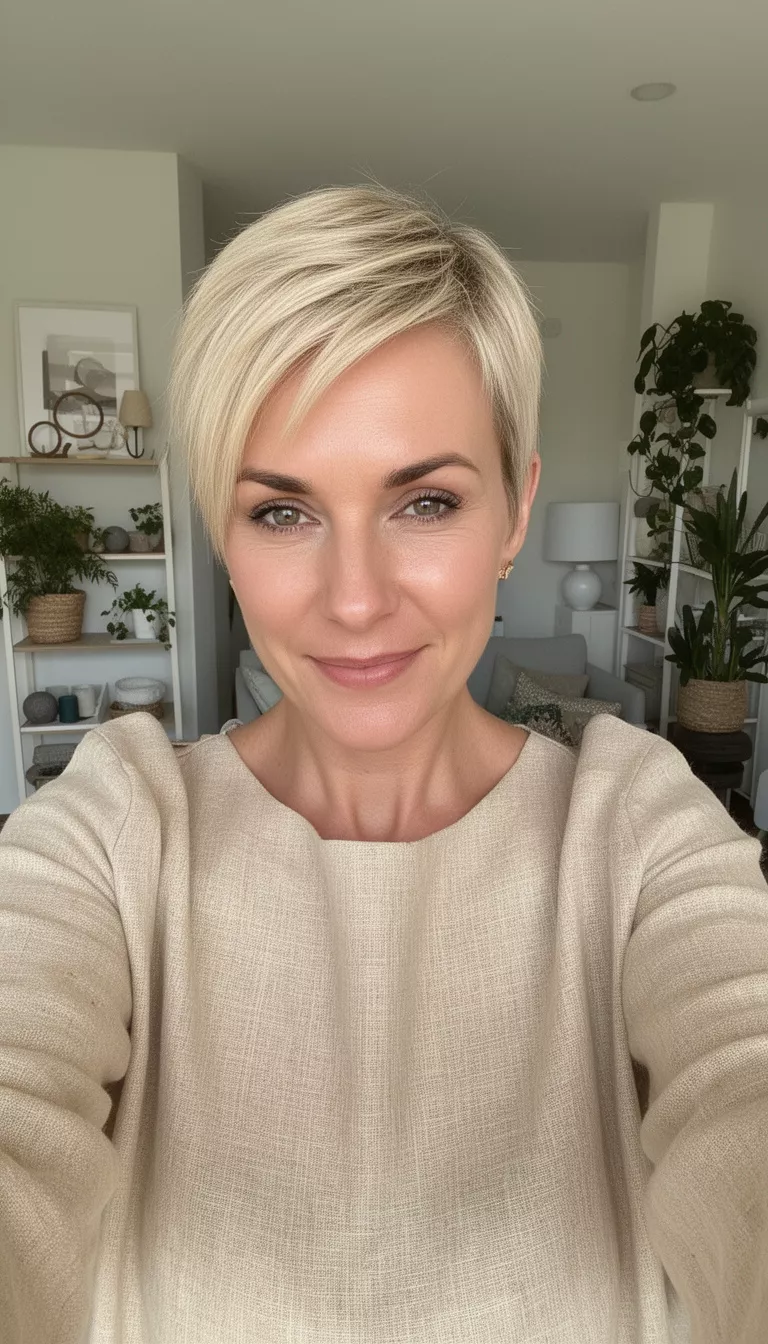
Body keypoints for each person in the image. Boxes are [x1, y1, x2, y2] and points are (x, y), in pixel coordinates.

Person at [0, 184, 766, 1344]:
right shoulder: (114, 831)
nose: (356, 600)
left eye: (425, 499)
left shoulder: (639, 830)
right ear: (222, 530)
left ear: (514, 509)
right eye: (283, 514)